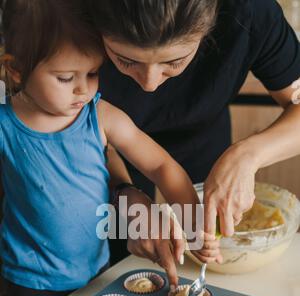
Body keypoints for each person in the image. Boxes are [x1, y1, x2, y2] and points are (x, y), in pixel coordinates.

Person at [0, 0, 220, 296]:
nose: (83, 89)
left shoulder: (99, 116)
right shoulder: (5, 124)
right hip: (28, 282)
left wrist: (194, 225)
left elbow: (162, 166)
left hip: (97, 271)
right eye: (64, 77)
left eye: (92, 73)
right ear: (16, 69)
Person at [88, 0, 300, 260]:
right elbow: (74, 128)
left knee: (204, 249)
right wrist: (124, 192)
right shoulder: (70, 15)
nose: (150, 84)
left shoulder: (249, 11)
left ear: (210, 28)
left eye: (174, 62)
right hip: (99, 154)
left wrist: (248, 155)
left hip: (203, 146)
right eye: (125, 60)